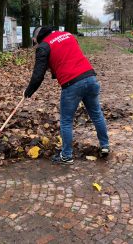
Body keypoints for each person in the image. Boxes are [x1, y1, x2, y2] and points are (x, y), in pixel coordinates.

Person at [24, 26, 110, 165]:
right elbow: (67, 55)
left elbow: (38, 75)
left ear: (37, 37)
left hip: (72, 84)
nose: (36, 45)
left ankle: (67, 155)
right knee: (96, 114)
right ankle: (105, 146)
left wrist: (28, 92)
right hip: (90, 77)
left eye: (35, 42)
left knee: (66, 121)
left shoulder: (44, 46)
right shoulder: (67, 35)